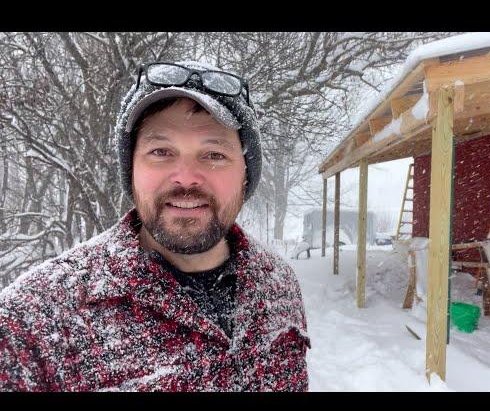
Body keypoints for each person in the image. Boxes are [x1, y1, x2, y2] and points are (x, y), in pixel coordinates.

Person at [0, 61, 311, 391]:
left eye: (215, 154)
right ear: (131, 170)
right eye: (161, 151)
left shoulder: (279, 284)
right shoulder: (32, 321)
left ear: (246, 173)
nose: (187, 176)